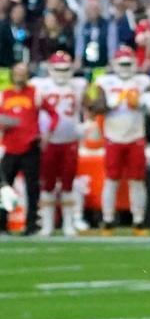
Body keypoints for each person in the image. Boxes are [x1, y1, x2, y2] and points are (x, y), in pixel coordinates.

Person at [93, 46, 150, 236]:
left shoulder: (142, 81)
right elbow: (96, 107)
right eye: (122, 64)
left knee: (137, 180)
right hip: (113, 136)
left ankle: (138, 220)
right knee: (111, 180)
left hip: (136, 136)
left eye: (129, 63)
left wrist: (143, 103)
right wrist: (110, 103)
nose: (126, 67)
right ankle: (108, 219)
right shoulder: (105, 81)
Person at [32, 51, 88, 237]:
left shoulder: (79, 85)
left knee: (68, 183)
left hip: (70, 141)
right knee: (47, 184)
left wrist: (84, 125)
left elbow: (87, 107)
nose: (63, 73)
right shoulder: (39, 85)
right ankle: (47, 225)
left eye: (66, 69)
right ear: (50, 69)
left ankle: (68, 223)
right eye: (59, 69)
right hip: (48, 142)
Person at [0, 63, 56, 236]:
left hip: (30, 146)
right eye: (17, 73)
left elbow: (54, 114)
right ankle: (2, 224)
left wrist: (47, 132)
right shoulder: (4, 95)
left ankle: (32, 224)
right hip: (9, 146)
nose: (20, 76)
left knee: (32, 188)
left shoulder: (35, 93)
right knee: (4, 187)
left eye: (23, 73)